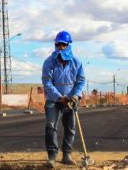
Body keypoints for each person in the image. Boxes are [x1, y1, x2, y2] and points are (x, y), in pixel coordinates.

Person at [41, 30, 86, 168]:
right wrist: (59, 97)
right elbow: (47, 82)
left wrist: (74, 95)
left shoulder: (76, 62)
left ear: (69, 45)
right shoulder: (49, 62)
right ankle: (52, 157)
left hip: (71, 100)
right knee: (51, 126)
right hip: (54, 100)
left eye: (63, 45)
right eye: (58, 45)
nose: (60, 48)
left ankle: (67, 155)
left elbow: (81, 81)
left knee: (70, 128)